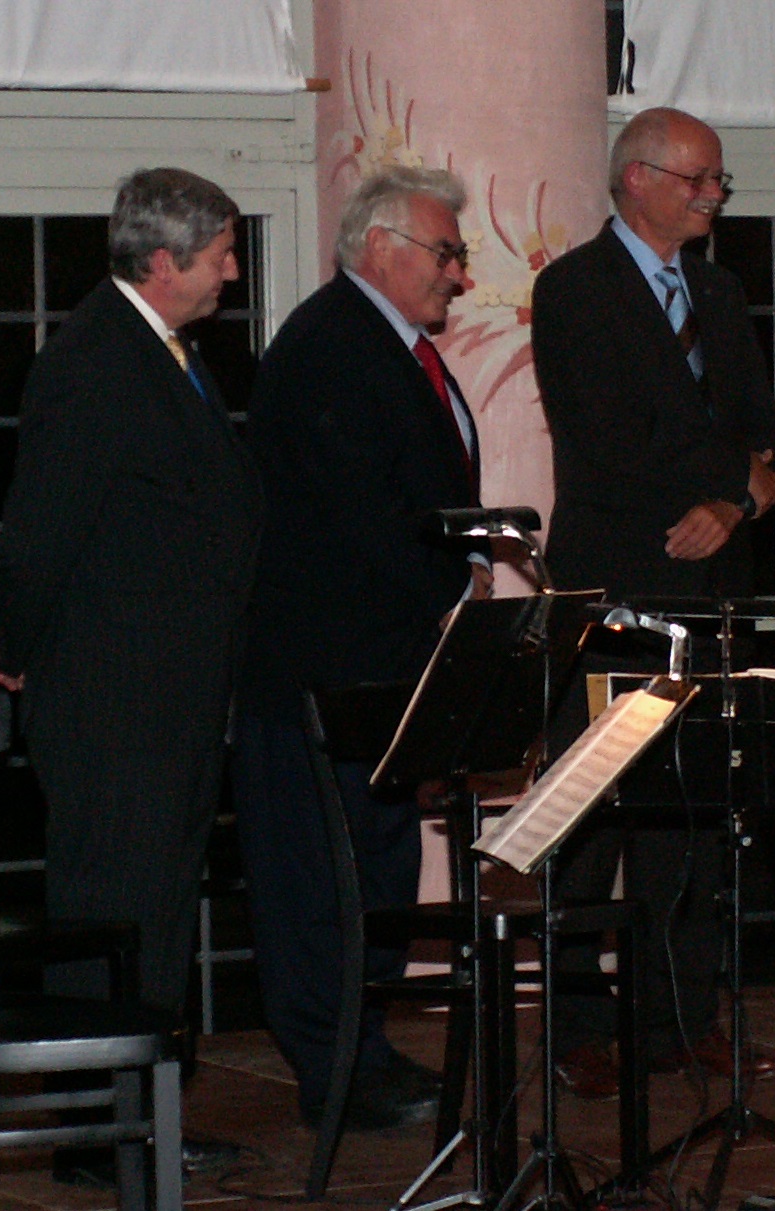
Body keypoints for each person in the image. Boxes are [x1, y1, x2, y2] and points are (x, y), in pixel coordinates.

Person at [0, 167, 262, 1179]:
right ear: (164, 261)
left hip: (172, 694)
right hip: (115, 699)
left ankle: (141, 1115)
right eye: (222, 254)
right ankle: (93, 1134)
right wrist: (17, 652)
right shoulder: (95, 362)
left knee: (151, 917)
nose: (233, 272)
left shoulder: (164, 351)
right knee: (109, 916)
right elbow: (37, 536)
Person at [530, 106, 775, 1098]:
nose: (714, 196)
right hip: (621, 580)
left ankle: (682, 1017)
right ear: (636, 178)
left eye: (719, 180)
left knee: (694, 815)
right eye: (698, 179)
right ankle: (577, 1024)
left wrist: (734, 501)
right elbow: (611, 437)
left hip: (711, 585)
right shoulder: (575, 290)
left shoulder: (720, 291)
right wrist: (728, 488)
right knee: (590, 818)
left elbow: (768, 432)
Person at [233, 166, 487, 1130]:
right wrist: (452, 585)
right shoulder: (334, 345)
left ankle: (362, 1052)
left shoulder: (390, 344)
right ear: (379, 247)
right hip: (323, 669)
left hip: (379, 664)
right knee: (321, 879)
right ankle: (335, 1067)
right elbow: (360, 520)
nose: (458, 274)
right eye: (445, 252)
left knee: (375, 869)